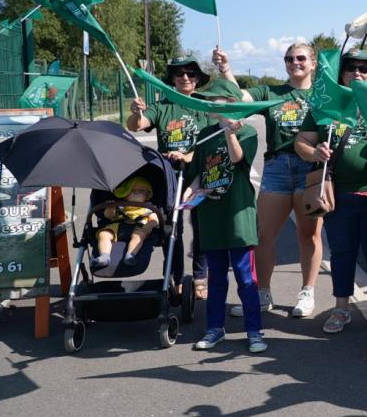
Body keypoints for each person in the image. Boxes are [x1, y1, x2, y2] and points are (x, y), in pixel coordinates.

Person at [216, 44, 324, 319]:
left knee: (308, 234)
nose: (294, 62)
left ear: (313, 63)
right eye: (289, 59)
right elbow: (240, 97)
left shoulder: (323, 94)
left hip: (310, 168)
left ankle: (307, 291)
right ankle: (263, 293)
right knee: (262, 236)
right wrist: (226, 69)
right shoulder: (271, 92)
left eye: (301, 58)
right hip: (277, 167)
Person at [294, 50, 367, 334]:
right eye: (351, 68)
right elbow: (300, 142)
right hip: (338, 196)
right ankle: (341, 309)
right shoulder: (327, 105)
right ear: (341, 74)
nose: (358, 73)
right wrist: (315, 151)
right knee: (342, 253)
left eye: (365, 69)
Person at [184, 80, 266, 353]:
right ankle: (214, 328)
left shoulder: (248, 131)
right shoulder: (205, 134)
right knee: (216, 277)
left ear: (230, 102)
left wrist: (231, 133)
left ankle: (254, 331)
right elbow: (198, 173)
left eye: (213, 98)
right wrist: (189, 191)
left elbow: (238, 160)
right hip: (211, 215)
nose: (208, 103)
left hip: (237, 216)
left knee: (245, 277)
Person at [127, 58, 212, 298]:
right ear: (172, 79)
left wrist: (189, 155)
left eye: (191, 74)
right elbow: (136, 125)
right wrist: (136, 112)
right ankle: (175, 276)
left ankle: (200, 277)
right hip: (169, 176)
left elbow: (215, 138)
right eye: (179, 74)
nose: (185, 78)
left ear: (197, 78)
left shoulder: (204, 104)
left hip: (199, 175)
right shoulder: (163, 105)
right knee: (172, 228)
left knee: (201, 228)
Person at [93, 176, 160, 267]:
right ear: (125, 195)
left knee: (139, 235)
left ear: (147, 195)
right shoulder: (120, 205)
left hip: (139, 228)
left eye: (141, 191)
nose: (136, 192)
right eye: (132, 190)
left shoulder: (148, 208)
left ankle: (130, 255)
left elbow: (155, 219)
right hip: (117, 227)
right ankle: (104, 256)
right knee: (103, 234)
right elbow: (108, 216)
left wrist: (150, 225)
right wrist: (110, 208)